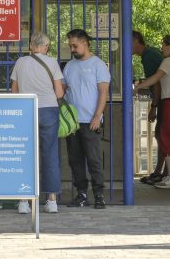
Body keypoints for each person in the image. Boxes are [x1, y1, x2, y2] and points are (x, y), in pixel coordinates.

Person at [9, 32, 66, 214]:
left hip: (26, 109)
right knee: (50, 155)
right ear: (46, 46)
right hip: (49, 110)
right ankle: (51, 201)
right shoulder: (52, 63)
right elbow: (59, 94)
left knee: (25, 154)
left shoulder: (20, 62)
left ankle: (24, 201)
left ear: (31, 45)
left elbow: (14, 91)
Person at [62, 28, 111, 209]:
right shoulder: (69, 66)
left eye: (74, 45)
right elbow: (63, 90)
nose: (72, 49)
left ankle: (99, 195)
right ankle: (82, 194)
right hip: (72, 123)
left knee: (94, 160)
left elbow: (103, 92)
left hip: (91, 121)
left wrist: (97, 117)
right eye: (70, 46)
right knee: (75, 160)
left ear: (85, 42)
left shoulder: (98, 65)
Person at [137, 34, 170, 189]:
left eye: (163, 45)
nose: (161, 48)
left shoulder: (167, 62)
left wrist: (139, 87)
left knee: (165, 137)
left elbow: (155, 78)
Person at [131, 30, 167, 184]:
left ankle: (164, 173)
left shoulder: (149, 56)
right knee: (162, 135)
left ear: (136, 41)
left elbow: (157, 82)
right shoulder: (149, 54)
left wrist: (154, 106)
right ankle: (160, 172)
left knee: (163, 136)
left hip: (166, 99)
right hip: (165, 99)